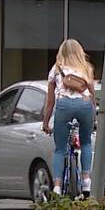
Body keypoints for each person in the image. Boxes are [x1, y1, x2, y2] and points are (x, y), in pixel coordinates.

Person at [41, 39, 97, 196]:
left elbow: (50, 102)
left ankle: (57, 186)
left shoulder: (56, 69)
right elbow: (92, 95)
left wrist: (45, 123)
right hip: (85, 105)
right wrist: (95, 119)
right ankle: (86, 180)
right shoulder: (87, 68)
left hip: (64, 105)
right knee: (85, 142)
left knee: (59, 149)